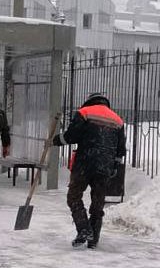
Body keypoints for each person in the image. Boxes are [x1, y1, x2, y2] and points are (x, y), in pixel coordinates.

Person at [53, 92, 126, 249]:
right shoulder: (118, 120)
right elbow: (120, 150)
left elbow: (71, 136)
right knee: (98, 203)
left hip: (85, 163)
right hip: (104, 167)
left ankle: (84, 229)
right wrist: (114, 166)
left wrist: (57, 140)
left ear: (89, 102)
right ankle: (94, 239)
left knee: (74, 196)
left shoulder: (84, 113)